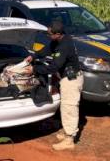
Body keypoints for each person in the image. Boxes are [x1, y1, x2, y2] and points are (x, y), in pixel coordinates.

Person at [24, 20, 84, 151]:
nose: (48, 36)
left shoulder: (64, 46)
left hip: (71, 80)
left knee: (70, 107)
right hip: (66, 78)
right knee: (66, 105)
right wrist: (33, 56)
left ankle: (69, 139)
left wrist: (34, 70)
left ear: (57, 34)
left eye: (50, 34)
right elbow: (48, 49)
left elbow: (54, 67)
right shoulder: (60, 39)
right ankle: (67, 131)